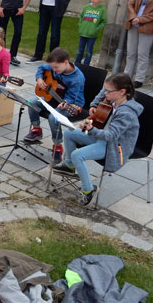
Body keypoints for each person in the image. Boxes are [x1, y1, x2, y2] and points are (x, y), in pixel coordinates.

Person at [55, 73, 142, 206]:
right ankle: (69, 165)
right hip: (104, 138)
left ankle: (88, 190)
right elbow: (102, 95)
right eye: (105, 89)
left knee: (77, 155)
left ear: (122, 92)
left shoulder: (127, 113)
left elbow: (111, 136)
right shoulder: (115, 101)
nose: (104, 93)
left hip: (115, 147)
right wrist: (94, 107)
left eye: (108, 91)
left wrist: (90, 129)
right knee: (69, 133)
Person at [24, 47, 85, 164]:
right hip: (53, 98)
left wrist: (65, 103)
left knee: (53, 117)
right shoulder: (54, 66)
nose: (53, 70)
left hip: (72, 104)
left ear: (66, 62)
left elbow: (71, 98)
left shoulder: (77, 79)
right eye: (52, 67)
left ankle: (57, 146)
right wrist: (39, 78)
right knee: (32, 103)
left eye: (56, 67)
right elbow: (42, 67)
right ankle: (37, 130)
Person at [76, 0, 106, 66]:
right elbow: (81, 17)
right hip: (83, 33)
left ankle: (86, 66)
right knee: (80, 50)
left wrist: (96, 29)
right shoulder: (86, 7)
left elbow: (104, 22)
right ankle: (77, 64)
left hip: (92, 35)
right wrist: (81, 26)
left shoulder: (102, 10)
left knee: (89, 51)